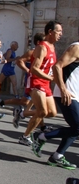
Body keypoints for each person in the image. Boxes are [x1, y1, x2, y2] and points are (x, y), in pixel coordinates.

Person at [30, 39, 79, 169]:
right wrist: (63, 89)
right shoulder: (76, 47)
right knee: (78, 127)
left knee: (75, 129)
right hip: (67, 94)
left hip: (76, 95)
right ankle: (41, 136)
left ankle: (57, 156)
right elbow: (57, 66)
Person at [20, 21, 61, 148]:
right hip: (36, 82)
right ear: (50, 32)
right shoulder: (42, 47)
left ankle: (22, 114)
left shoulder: (53, 47)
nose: (61, 34)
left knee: (52, 113)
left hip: (46, 83)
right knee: (42, 112)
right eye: (58, 31)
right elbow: (34, 68)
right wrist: (50, 77)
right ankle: (25, 136)